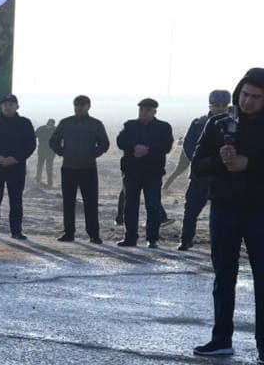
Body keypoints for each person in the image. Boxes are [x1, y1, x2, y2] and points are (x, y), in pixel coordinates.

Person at [190, 68, 264, 359]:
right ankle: (221, 339)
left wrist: (249, 164)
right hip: (225, 210)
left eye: (257, 97)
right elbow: (197, 167)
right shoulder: (218, 124)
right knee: (223, 277)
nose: (248, 102)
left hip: (260, 212)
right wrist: (220, 161)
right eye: (245, 95)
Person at [48, 95, 109, 243]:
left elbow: (104, 143)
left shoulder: (95, 124)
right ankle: (69, 233)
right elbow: (54, 141)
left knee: (90, 203)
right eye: (76, 105)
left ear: (88, 106)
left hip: (88, 168)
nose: (79, 108)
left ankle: (94, 235)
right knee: (68, 202)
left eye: (82, 105)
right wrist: (62, 152)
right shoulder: (66, 123)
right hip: (69, 168)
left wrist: (93, 154)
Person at [116, 97, 174, 248]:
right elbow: (120, 142)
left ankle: (152, 239)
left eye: (147, 110)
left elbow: (166, 146)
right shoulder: (129, 125)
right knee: (130, 206)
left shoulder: (163, 127)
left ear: (154, 111)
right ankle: (130, 238)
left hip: (152, 173)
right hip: (132, 172)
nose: (143, 112)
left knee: (153, 205)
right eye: (141, 109)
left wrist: (148, 150)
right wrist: (134, 148)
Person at [177, 89, 231, 250]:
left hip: (224, 175)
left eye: (223, 105)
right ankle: (186, 240)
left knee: (225, 212)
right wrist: (200, 159)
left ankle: (224, 243)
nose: (220, 108)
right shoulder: (199, 123)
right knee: (191, 209)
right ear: (210, 105)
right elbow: (188, 144)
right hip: (201, 174)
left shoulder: (233, 124)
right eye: (216, 105)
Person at [0, 94, 36, 239]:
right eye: (5, 104)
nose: (7, 107)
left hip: (16, 168)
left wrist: (15, 158)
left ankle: (16, 231)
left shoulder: (25, 123)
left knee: (16, 200)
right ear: (1, 106)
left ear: (17, 106)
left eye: (11, 104)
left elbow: (30, 145)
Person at [34, 118, 57, 187]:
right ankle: (44, 181)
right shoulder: (55, 129)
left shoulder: (42, 129)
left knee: (45, 167)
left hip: (47, 151)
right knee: (44, 166)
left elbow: (33, 136)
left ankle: (45, 181)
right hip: (46, 151)